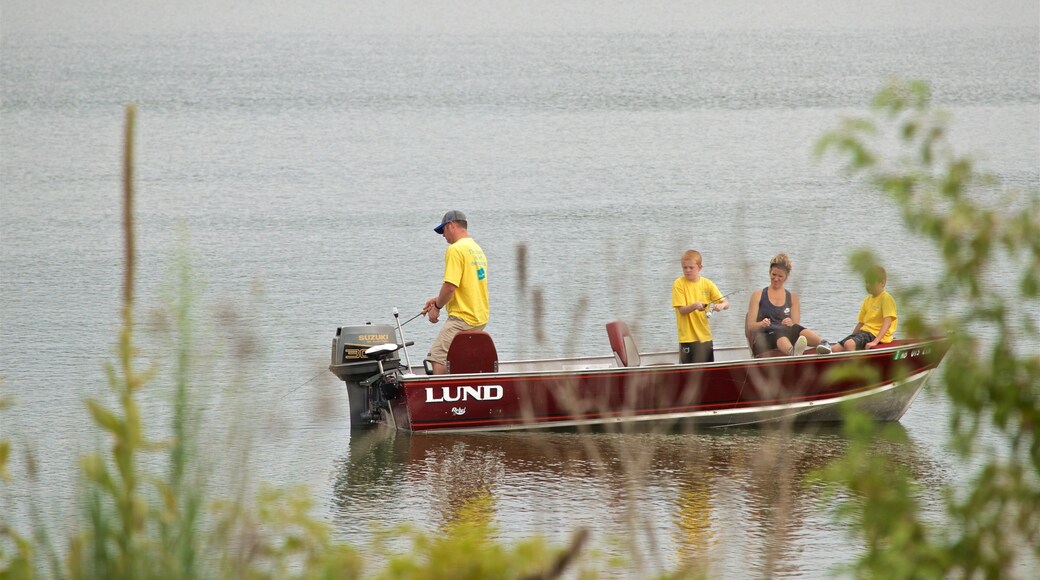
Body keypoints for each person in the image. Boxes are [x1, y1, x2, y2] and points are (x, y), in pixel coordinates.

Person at [423, 210, 489, 375]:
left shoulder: (455, 249)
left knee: (438, 356)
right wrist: (438, 299)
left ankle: (441, 390)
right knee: (458, 357)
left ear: (451, 225)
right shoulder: (475, 248)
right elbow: (466, 285)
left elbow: (450, 286)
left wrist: (437, 307)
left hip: (463, 318)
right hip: (479, 317)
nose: (443, 235)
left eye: (443, 230)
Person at [745, 252, 825, 357]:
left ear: (786, 277)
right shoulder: (757, 295)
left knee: (797, 329)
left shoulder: (793, 298)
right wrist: (761, 324)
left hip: (786, 334)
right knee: (780, 334)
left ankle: (823, 343)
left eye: (780, 276)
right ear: (769, 273)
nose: (776, 279)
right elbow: (751, 326)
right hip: (765, 337)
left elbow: (795, 325)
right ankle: (793, 353)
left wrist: (790, 322)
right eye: (774, 274)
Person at [819, 266, 897, 353]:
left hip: (876, 334)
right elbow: (861, 323)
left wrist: (875, 341)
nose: (868, 285)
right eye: (866, 282)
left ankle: (856, 361)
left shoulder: (886, 299)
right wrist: (852, 336)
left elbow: (887, 322)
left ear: (882, 283)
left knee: (849, 344)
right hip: (864, 332)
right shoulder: (867, 300)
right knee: (835, 349)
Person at [672, 250, 730, 363]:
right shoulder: (678, 284)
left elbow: (726, 303)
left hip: (705, 338)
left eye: (691, 267)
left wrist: (721, 305)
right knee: (688, 372)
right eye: (685, 267)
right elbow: (682, 310)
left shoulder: (707, 284)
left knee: (707, 371)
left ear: (700, 267)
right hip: (687, 339)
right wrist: (695, 305)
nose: (687, 270)